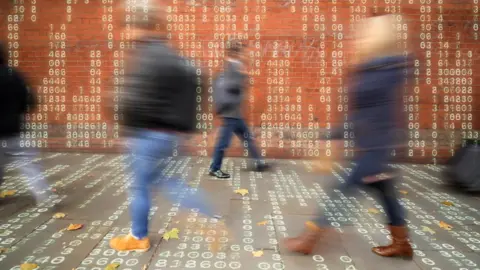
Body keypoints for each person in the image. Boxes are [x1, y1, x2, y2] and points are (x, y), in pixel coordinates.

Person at [284, 14, 414, 259]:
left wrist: (331, 137)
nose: (360, 38)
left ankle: (309, 239)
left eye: (366, 34)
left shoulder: (385, 70)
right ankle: (402, 242)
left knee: (341, 190)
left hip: (375, 150)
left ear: (379, 39)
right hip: (375, 148)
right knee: (386, 193)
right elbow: (359, 113)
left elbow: (363, 114)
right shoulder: (376, 68)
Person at [110, 0, 219, 252]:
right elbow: (198, 81)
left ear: (137, 25)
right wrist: (188, 126)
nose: (125, 31)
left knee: (140, 187)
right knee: (172, 182)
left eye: (127, 25)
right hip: (172, 136)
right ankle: (210, 219)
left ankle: (138, 238)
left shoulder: (144, 55)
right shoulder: (175, 57)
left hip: (145, 134)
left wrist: (127, 126)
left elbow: (132, 98)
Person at [0, 42, 54, 205]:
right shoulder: (14, 75)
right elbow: (29, 100)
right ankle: (45, 198)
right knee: (30, 165)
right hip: (16, 130)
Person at [209, 41, 270, 179]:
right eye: (242, 52)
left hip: (235, 112)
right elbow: (232, 85)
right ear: (235, 53)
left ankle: (259, 162)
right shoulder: (231, 67)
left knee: (248, 138)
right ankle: (215, 168)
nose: (245, 54)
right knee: (223, 142)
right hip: (230, 112)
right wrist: (244, 76)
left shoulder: (232, 66)